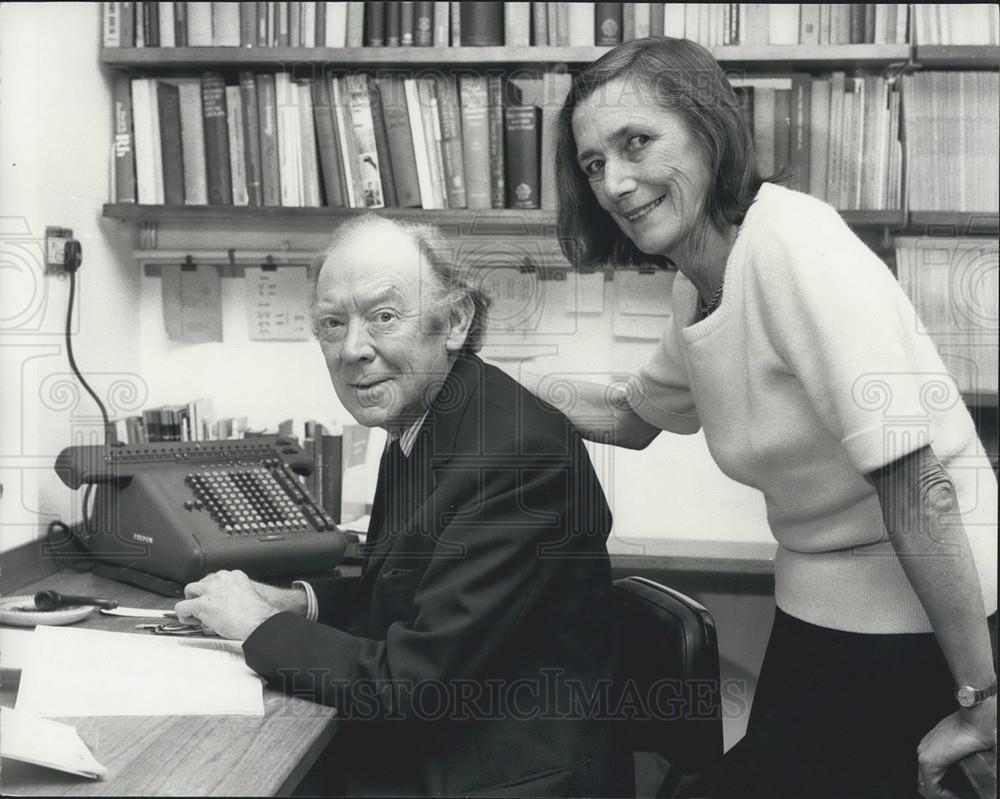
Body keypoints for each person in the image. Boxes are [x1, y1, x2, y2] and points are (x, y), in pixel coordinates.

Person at [510, 36, 997, 799]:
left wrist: (983, 701)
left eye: (636, 142)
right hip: (820, 621)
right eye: (594, 162)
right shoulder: (699, 281)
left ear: (709, 129)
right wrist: (486, 383)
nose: (615, 182)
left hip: (936, 627)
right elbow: (635, 414)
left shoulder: (795, 247)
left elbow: (918, 485)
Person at [174, 215, 632, 798]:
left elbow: (415, 686)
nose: (352, 350)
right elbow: (406, 596)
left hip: (501, 780)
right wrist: (300, 603)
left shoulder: (516, 457)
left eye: (384, 317)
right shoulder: (429, 416)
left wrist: (261, 626)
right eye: (332, 324)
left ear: (456, 321)